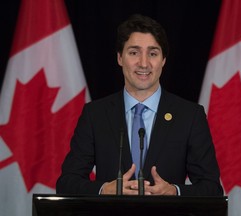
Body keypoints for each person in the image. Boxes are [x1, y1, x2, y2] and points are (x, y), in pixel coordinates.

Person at [56, 14, 223, 196]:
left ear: (163, 60)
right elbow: (67, 183)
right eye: (134, 52)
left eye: (153, 53)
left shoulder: (190, 116)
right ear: (120, 58)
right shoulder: (95, 114)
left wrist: (174, 192)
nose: (144, 63)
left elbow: (212, 188)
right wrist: (104, 189)